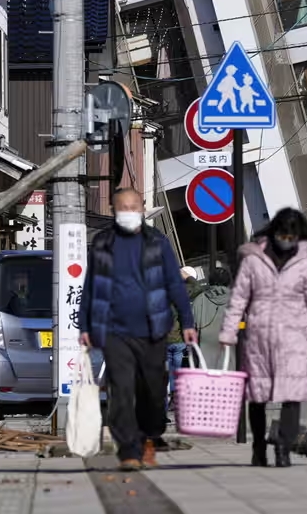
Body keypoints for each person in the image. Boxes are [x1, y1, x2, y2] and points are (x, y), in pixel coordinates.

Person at [78, 188, 197, 471]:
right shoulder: (102, 243)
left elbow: (174, 284)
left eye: (134, 206)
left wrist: (187, 321)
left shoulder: (158, 242)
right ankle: (128, 450)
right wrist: (84, 324)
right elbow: (90, 286)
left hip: (153, 329)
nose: (129, 211)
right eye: (123, 207)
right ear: (112, 209)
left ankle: (149, 437)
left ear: (142, 209)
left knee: (152, 391)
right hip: (114, 330)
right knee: (121, 390)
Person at [219, 208, 307, 468]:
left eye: (291, 236)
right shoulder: (253, 259)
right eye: (282, 234)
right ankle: (259, 446)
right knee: (257, 396)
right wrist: (229, 332)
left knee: (292, 395)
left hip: (294, 338)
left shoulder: (305, 261)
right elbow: (239, 298)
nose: (286, 240)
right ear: (274, 232)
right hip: (259, 337)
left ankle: (283, 447)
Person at [164, 266, 206, 415]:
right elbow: (197, 288)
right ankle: (178, 400)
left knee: (166, 375)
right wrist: (187, 276)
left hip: (164, 340)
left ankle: (166, 405)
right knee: (179, 372)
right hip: (178, 340)